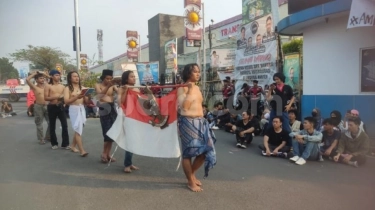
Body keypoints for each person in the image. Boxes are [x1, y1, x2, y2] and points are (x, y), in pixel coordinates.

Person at [177, 63, 216, 192]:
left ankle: (191, 175)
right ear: (188, 73)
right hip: (188, 122)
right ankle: (190, 181)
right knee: (188, 154)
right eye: (195, 72)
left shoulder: (197, 88)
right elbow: (185, 107)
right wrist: (188, 91)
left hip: (201, 122)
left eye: (199, 71)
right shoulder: (182, 88)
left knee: (205, 152)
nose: (198, 74)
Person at [95, 69, 119, 163]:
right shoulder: (98, 85)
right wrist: (109, 85)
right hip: (104, 108)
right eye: (107, 78)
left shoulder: (113, 86)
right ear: (103, 78)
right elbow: (100, 95)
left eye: (110, 78)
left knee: (112, 132)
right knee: (106, 132)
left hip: (112, 107)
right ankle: (104, 153)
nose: (109, 80)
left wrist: (121, 85)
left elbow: (119, 92)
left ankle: (108, 154)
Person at [118, 70, 140, 173]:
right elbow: (120, 102)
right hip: (126, 117)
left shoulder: (137, 89)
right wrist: (126, 91)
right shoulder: (121, 89)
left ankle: (130, 163)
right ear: (126, 79)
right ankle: (127, 164)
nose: (134, 78)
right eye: (131, 76)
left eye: (134, 76)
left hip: (136, 117)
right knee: (129, 140)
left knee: (134, 140)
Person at [63, 71, 89, 157]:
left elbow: (86, 102)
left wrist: (87, 97)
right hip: (74, 109)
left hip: (82, 108)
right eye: (74, 76)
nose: (76, 78)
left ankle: (73, 145)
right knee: (78, 129)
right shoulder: (67, 88)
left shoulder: (83, 88)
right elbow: (66, 101)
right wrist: (76, 97)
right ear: (70, 78)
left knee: (79, 128)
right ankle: (82, 151)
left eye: (77, 76)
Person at [44, 70, 69, 150]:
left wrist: (63, 101)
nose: (58, 77)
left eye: (59, 75)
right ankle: (54, 143)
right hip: (52, 106)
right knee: (52, 125)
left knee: (64, 125)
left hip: (60, 106)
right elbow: (46, 97)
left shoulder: (62, 86)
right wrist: (56, 97)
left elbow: (65, 97)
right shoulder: (48, 86)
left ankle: (65, 144)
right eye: (56, 75)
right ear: (51, 76)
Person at [266, 73, 294, 137]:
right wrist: (270, 90)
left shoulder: (287, 87)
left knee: (285, 126)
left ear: (281, 79)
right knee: (271, 125)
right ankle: (269, 140)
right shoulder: (273, 87)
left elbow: (292, 97)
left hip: (283, 109)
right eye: (275, 79)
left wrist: (289, 105)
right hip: (274, 109)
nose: (276, 81)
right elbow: (268, 98)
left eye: (277, 79)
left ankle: (288, 142)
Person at [26, 72, 50, 144]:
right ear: (36, 80)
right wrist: (35, 73)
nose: (42, 79)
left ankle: (48, 136)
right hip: (38, 106)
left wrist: (43, 73)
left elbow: (50, 78)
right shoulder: (34, 87)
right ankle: (41, 139)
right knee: (39, 123)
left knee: (51, 122)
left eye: (43, 78)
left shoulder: (47, 86)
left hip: (47, 106)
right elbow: (27, 79)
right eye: (40, 78)